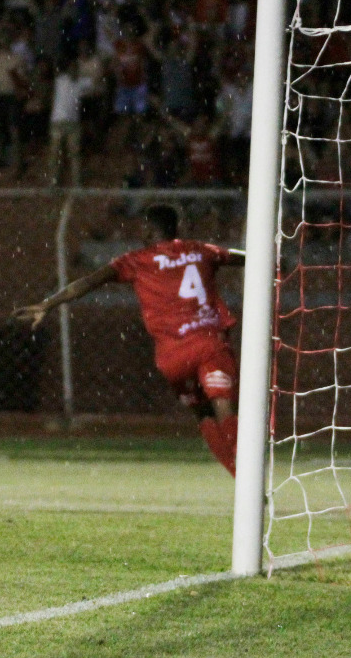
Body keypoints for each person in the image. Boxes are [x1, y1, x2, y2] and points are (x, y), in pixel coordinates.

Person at [13, 204, 242, 476]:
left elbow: (88, 282)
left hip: (172, 357)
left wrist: (48, 304)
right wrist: (271, 257)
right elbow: (236, 257)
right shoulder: (200, 250)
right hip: (207, 343)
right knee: (224, 404)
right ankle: (246, 475)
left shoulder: (136, 260)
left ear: (147, 230)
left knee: (202, 411)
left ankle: (237, 474)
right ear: (176, 228)